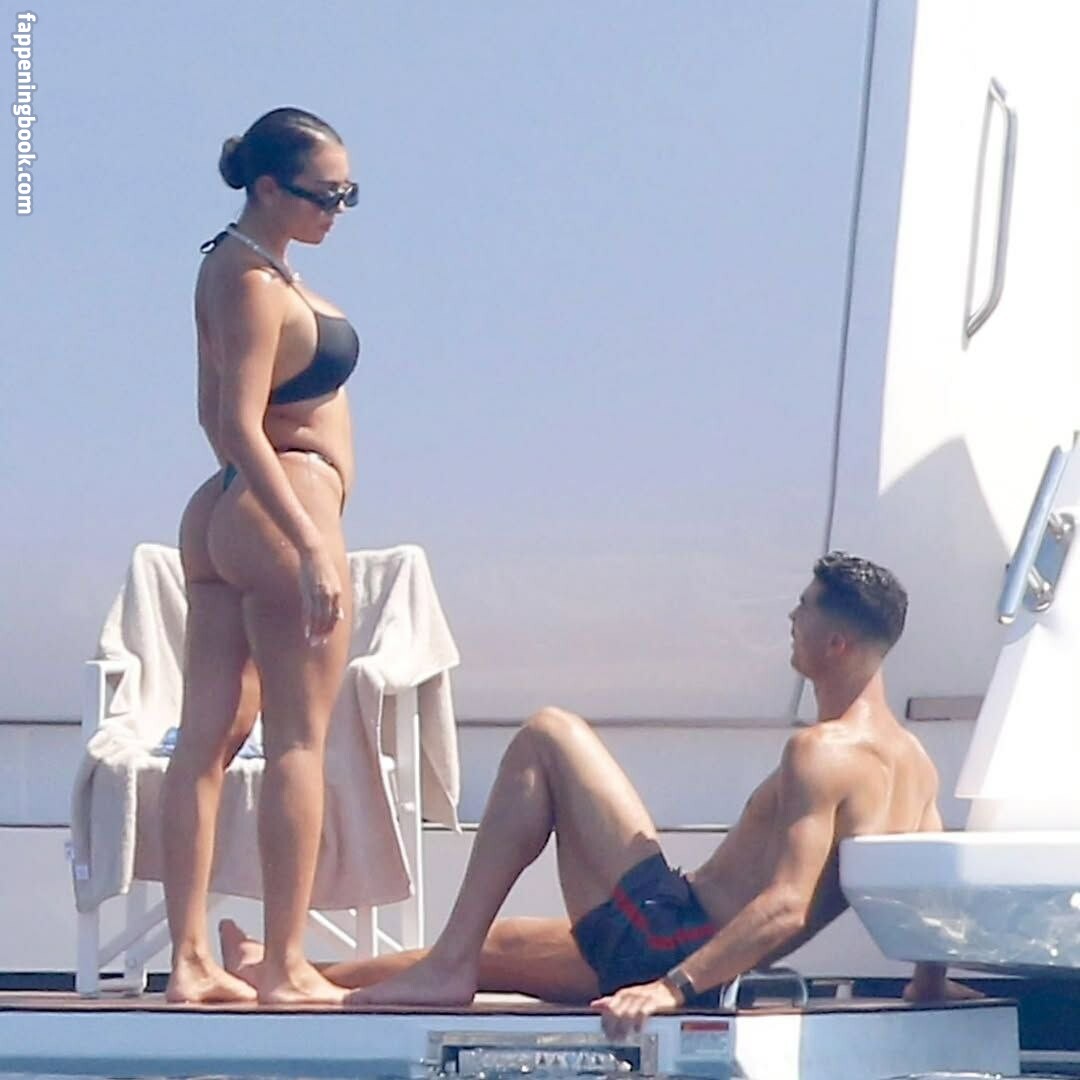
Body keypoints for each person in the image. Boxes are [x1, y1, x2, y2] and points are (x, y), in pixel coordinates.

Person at [219, 552, 975, 1030]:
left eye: (803, 607)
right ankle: (294, 975)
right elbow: (924, 893)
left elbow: (784, 904)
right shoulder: (914, 765)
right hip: (684, 936)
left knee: (548, 734)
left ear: (836, 643)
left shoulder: (822, 751)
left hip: (676, 945)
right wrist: (928, 987)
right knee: (503, 950)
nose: (792, 616)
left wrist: (672, 989)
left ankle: (440, 965)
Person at [161, 106, 363, 1005]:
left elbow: (214, 418)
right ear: (270, 187)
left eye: (349, 195)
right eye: (325, 195)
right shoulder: (248, 279)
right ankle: (284, 965)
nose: (338, 210)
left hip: (228, 509)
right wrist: (309, 539)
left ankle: (189, 963)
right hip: (284, 503)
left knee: (207, 741)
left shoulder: (235, 266)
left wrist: (248, 504)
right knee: (298, 743)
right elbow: (238, 421)